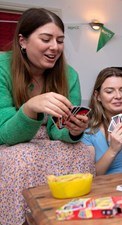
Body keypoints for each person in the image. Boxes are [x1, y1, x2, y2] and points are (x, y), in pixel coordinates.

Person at [0, 8, 95, 225]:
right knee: (22, 158)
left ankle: (76, 218)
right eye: (46, 39)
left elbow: (56, 129)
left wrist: (73, 129)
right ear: (22, 41)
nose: (55, 47)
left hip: (49, 142)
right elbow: (4, 132)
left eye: (60, 40)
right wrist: (30, 108)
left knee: (80, 152)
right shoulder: (2, 67)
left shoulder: (69, 75)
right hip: (9, 142)